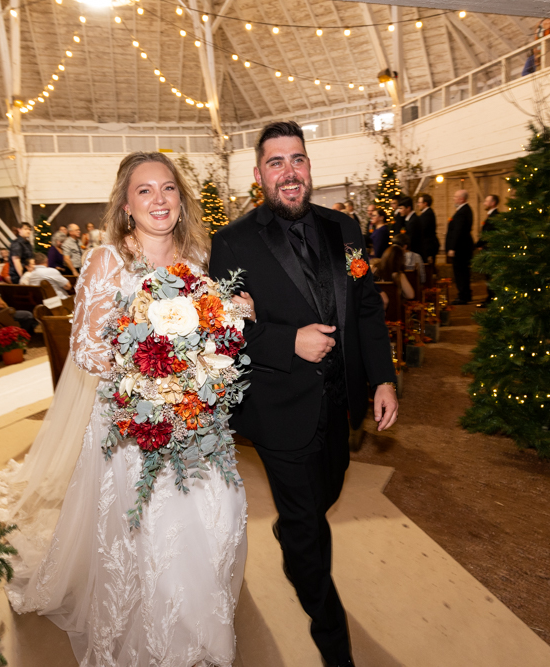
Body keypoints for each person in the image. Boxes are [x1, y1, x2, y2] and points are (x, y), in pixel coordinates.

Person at [0, 152, 249, 667]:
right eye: (145, 191)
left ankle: (202, 622)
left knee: (222, 510)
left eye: (167, 188)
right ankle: (169, 642)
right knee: (157, 529)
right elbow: (87, 350)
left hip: (195, 417)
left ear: (180, 198)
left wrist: (230, 316)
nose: (159, 200)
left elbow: (211, 328)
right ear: (126, 205)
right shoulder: (108, 261)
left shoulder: (197, 257)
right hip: (133, 420)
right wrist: (151, 365)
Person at [210, 121, 398, 667]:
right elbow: (221, 332)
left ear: (309, 167)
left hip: (341, 402)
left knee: (325, 493)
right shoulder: (232, 243)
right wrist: (288, 341)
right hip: (279, 408)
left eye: (297, 160)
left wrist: (383, 378)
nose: (288, 172)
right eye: (276, 163)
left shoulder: (346, 228)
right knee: (311, 528)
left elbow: (367, 307)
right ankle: (333, 641)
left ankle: (294, 539)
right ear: (258, 175)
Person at [446, 189, 475, 304]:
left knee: (460, 272)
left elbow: (458, 231)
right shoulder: (465, 210)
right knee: (464, 272)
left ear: (461, 199)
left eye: (455, 197)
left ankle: (463, 296)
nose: (454, 199)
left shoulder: (462, 212)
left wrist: (452, 248)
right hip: (463, 247)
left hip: (460, 248)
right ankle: (466, 294)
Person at [477, 194, 500, 307]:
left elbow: (488, 234)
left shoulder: (495, 216)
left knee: (491, 276)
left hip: (491, 251)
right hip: (488, 249)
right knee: (488, 275)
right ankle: (489, 297)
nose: (484, 203)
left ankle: (492, 298)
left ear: (493, 203)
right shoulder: (491, 215)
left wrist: (478, 244)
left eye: (486, 201)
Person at [415, 193, 440, 265]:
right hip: (428, 245)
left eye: (419, 202)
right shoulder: (426, 213)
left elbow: (422, 230)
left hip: (428, 247)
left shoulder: (427, 214)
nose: (418, 204)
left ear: (425, 203)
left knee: (427, 267)